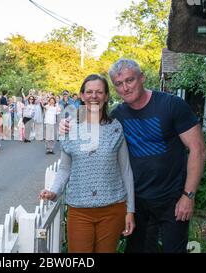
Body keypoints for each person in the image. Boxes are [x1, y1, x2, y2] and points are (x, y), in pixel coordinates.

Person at [61, 59, 206, 253]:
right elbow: (91, 122)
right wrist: (67, 124)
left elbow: (198, 149)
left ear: (142, 78)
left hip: (172, 199)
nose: (125, 88)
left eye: (130, 80)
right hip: (138, 201)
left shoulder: (171, 105)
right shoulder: (118, 117)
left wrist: (188, 196)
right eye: (119, 84)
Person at [40, 74, 135, 253]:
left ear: (106, 96)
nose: (94, 96)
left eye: (99, 92)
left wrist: (130, 210)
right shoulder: (70, 128)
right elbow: (65, 168)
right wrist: (54, 191)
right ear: (82, 95)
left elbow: (126, 170)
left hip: (113, 208)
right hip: (79, 209)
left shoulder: (115, 128)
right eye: (89, 92)